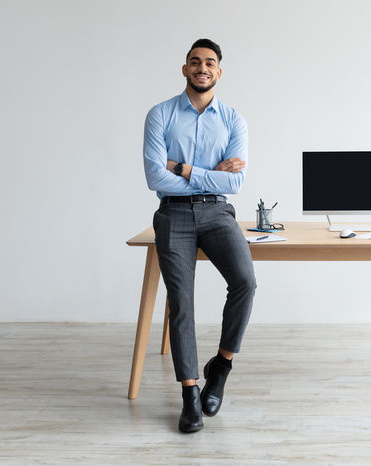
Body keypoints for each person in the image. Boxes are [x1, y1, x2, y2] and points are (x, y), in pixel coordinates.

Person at [142, 38, 256, 433]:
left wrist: (186, 169)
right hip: (172, 214)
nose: (201, 68)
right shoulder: (160, 115)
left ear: (219, 72)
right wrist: (211, 172)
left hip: (218, 211)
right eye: (194, 62)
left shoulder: (234, 120)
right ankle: (190, 394)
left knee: (245, 281)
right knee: (181, 300)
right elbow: (155, 177)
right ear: (185, 69)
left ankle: (220, 367)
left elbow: (236, 181)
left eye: (209, 63)